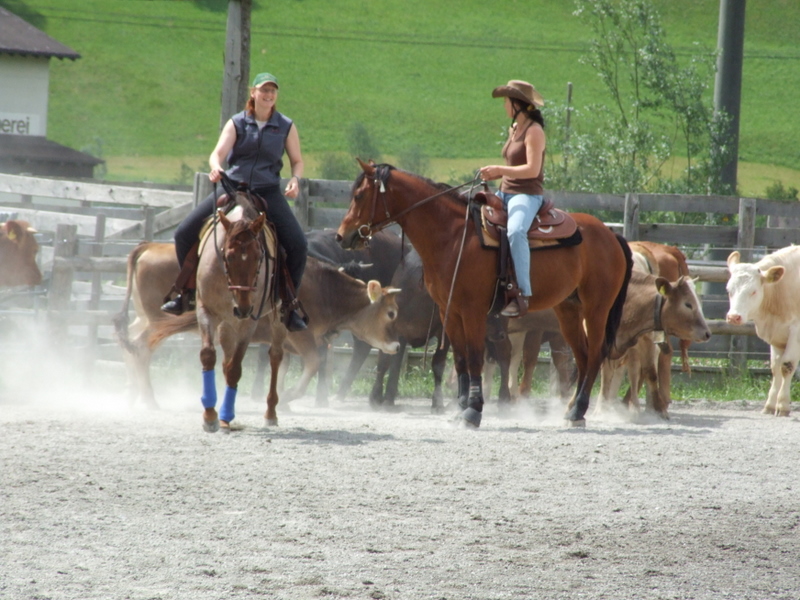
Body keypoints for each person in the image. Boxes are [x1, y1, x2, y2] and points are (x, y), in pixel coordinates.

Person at [161, 72, 308, 331]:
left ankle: (289, 304)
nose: (268, 95)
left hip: (267, 192)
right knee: (183, 233)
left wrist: (295, 179)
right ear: (253, 93)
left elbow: (297, 160)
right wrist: (216, 168)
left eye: (272, 91)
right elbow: (217, 154)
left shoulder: (285, 125)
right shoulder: (237, 122)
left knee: (298, 244)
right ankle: (187, 292)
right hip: (233, 188)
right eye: (264, 90)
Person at [479, 79, 546, 318]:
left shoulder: (534, 132)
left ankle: (522, 294)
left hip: (526, 195)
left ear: (517, 104)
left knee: (516, 231)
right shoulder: (514, 129)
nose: (504, 105)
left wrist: (500, 170)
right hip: (504, 192)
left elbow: (532, 170)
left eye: (507, 101)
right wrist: (496, 175)